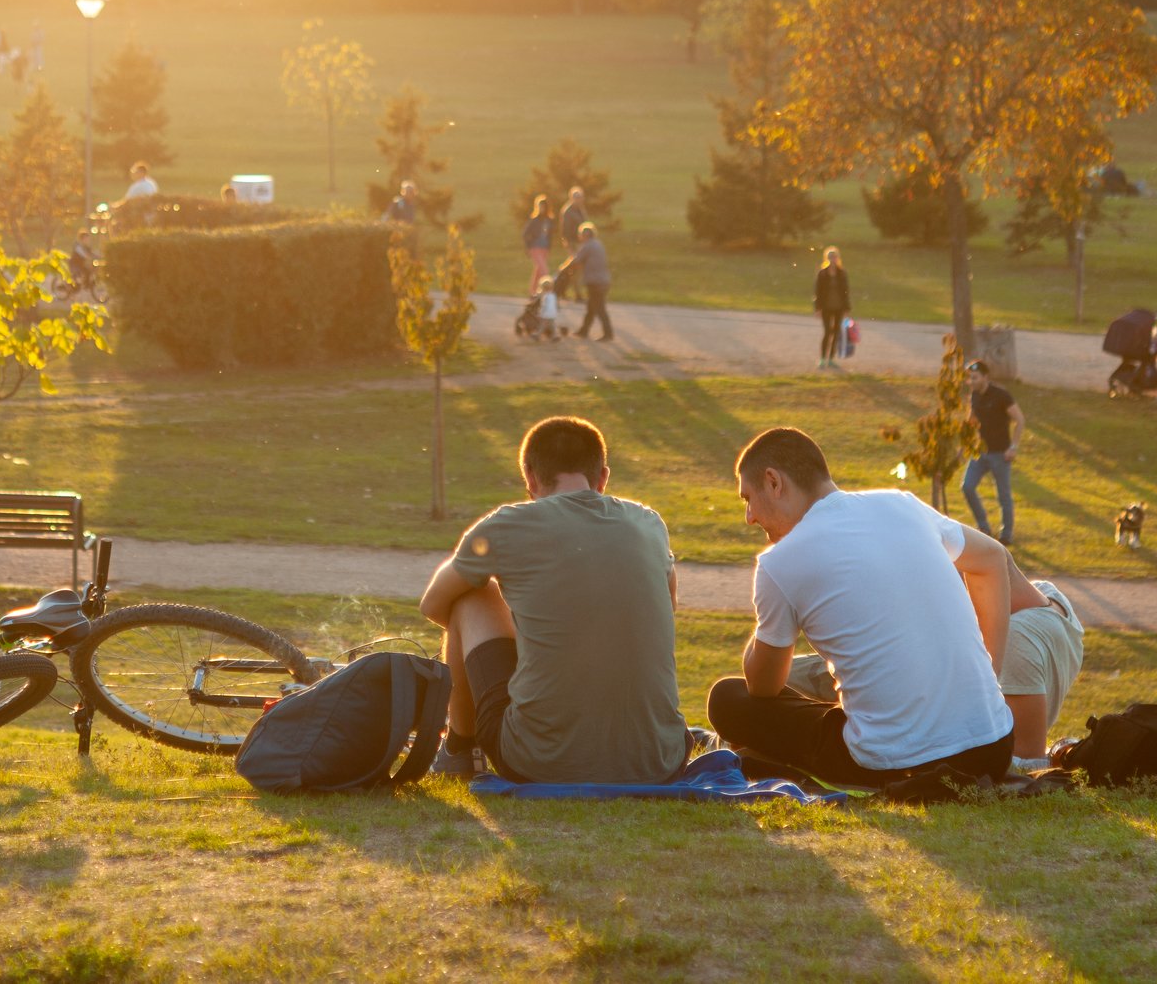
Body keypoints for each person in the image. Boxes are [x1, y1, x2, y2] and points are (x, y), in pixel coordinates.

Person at [706, 428, 1016, 787]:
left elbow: (763, 687)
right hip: (993, 747)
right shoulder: (902, 505)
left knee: (727, 697)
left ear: (774, 482)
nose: (749, 517)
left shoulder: (780, 563)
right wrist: (988, 678)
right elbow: (993, 559)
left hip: (891, 765)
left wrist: (760, 634)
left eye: (748, 499)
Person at [419, 416, 688, 783]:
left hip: (542, 761)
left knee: (469, 595)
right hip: (659, 761)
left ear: (529, 476)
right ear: (603, 477)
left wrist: (522, 631)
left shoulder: (507, 525)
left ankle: (459, 750)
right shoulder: (649, 524)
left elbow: (434, 604)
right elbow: (667, 607)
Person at [785, 573, 1083, 775]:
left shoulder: (1017, 641)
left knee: (776, 686)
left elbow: (1025, 761)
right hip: (906, 672)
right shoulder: (1045, 599)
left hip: (904, 693)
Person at [962, 359, 1024, 543]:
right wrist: (965, 446)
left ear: (985, 377)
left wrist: (1013, 447)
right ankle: (984, 527)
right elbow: (970, 422)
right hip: (979, 452)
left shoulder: (1001, 396)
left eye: (975, 378)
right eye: (969, 378)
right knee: (967, 486)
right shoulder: (974, 395)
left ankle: (1006, 534)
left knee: (1003, 495)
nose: (971, 382)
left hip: (1000, 453)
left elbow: (1020, 420)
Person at [561, 222, 613, 341]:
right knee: (591, 307)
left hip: (595, 282)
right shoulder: (598, 244)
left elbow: (576, 261)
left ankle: (608, 333)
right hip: (604, 280)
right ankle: (584, 330)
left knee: (599, 308)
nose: (580, 237)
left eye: (580, 235)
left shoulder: (588, 245)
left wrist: (564, 268)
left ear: (584, 235)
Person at [813, 247, 850, 369]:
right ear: (827, 259)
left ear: (837, 258)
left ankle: (831, 359)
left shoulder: (842, 273)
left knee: (836, 332)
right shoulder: (822, 273)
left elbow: (846, 292)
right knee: (827, 332)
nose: (832, 259)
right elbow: (817, 292)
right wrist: (817, 308)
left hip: (839, 307)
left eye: (834, 257)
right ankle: (823, 358)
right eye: (830, 257)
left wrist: (847, 308)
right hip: (826, 307)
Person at [558, 187, 589, 300]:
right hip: (573, 243)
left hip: (581, 244)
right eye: (577, 198)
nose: (580, 200)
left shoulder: (580, 210)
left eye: (581, 198)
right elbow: (565, 231)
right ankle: (577, 294)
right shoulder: (568, 211)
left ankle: (563, 290)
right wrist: (569, 246)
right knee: (575, 269)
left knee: (575, 270)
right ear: (572, 198)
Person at [521, 195, 555, 295]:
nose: (541, 209)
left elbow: (550, 236)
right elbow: (525, 233)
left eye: (543, 207)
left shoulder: (549, 220)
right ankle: (548, 290)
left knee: (538, 271)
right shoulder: (534, 220)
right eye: (539, 207)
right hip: (535, 248)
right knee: (544, 270)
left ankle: (533, 291)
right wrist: (529, 245)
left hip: (544, 248)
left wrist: (549, 247)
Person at [535, 276, 561, 341]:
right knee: (552, 324)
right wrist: (557, 309)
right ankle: (555, 335)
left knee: (543, 324)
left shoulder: (545, 296)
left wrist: (540, 313)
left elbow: (544, 306)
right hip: (553, 313)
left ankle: (538, 335)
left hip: (546, 313)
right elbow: (556, 304)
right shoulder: (553, 295)